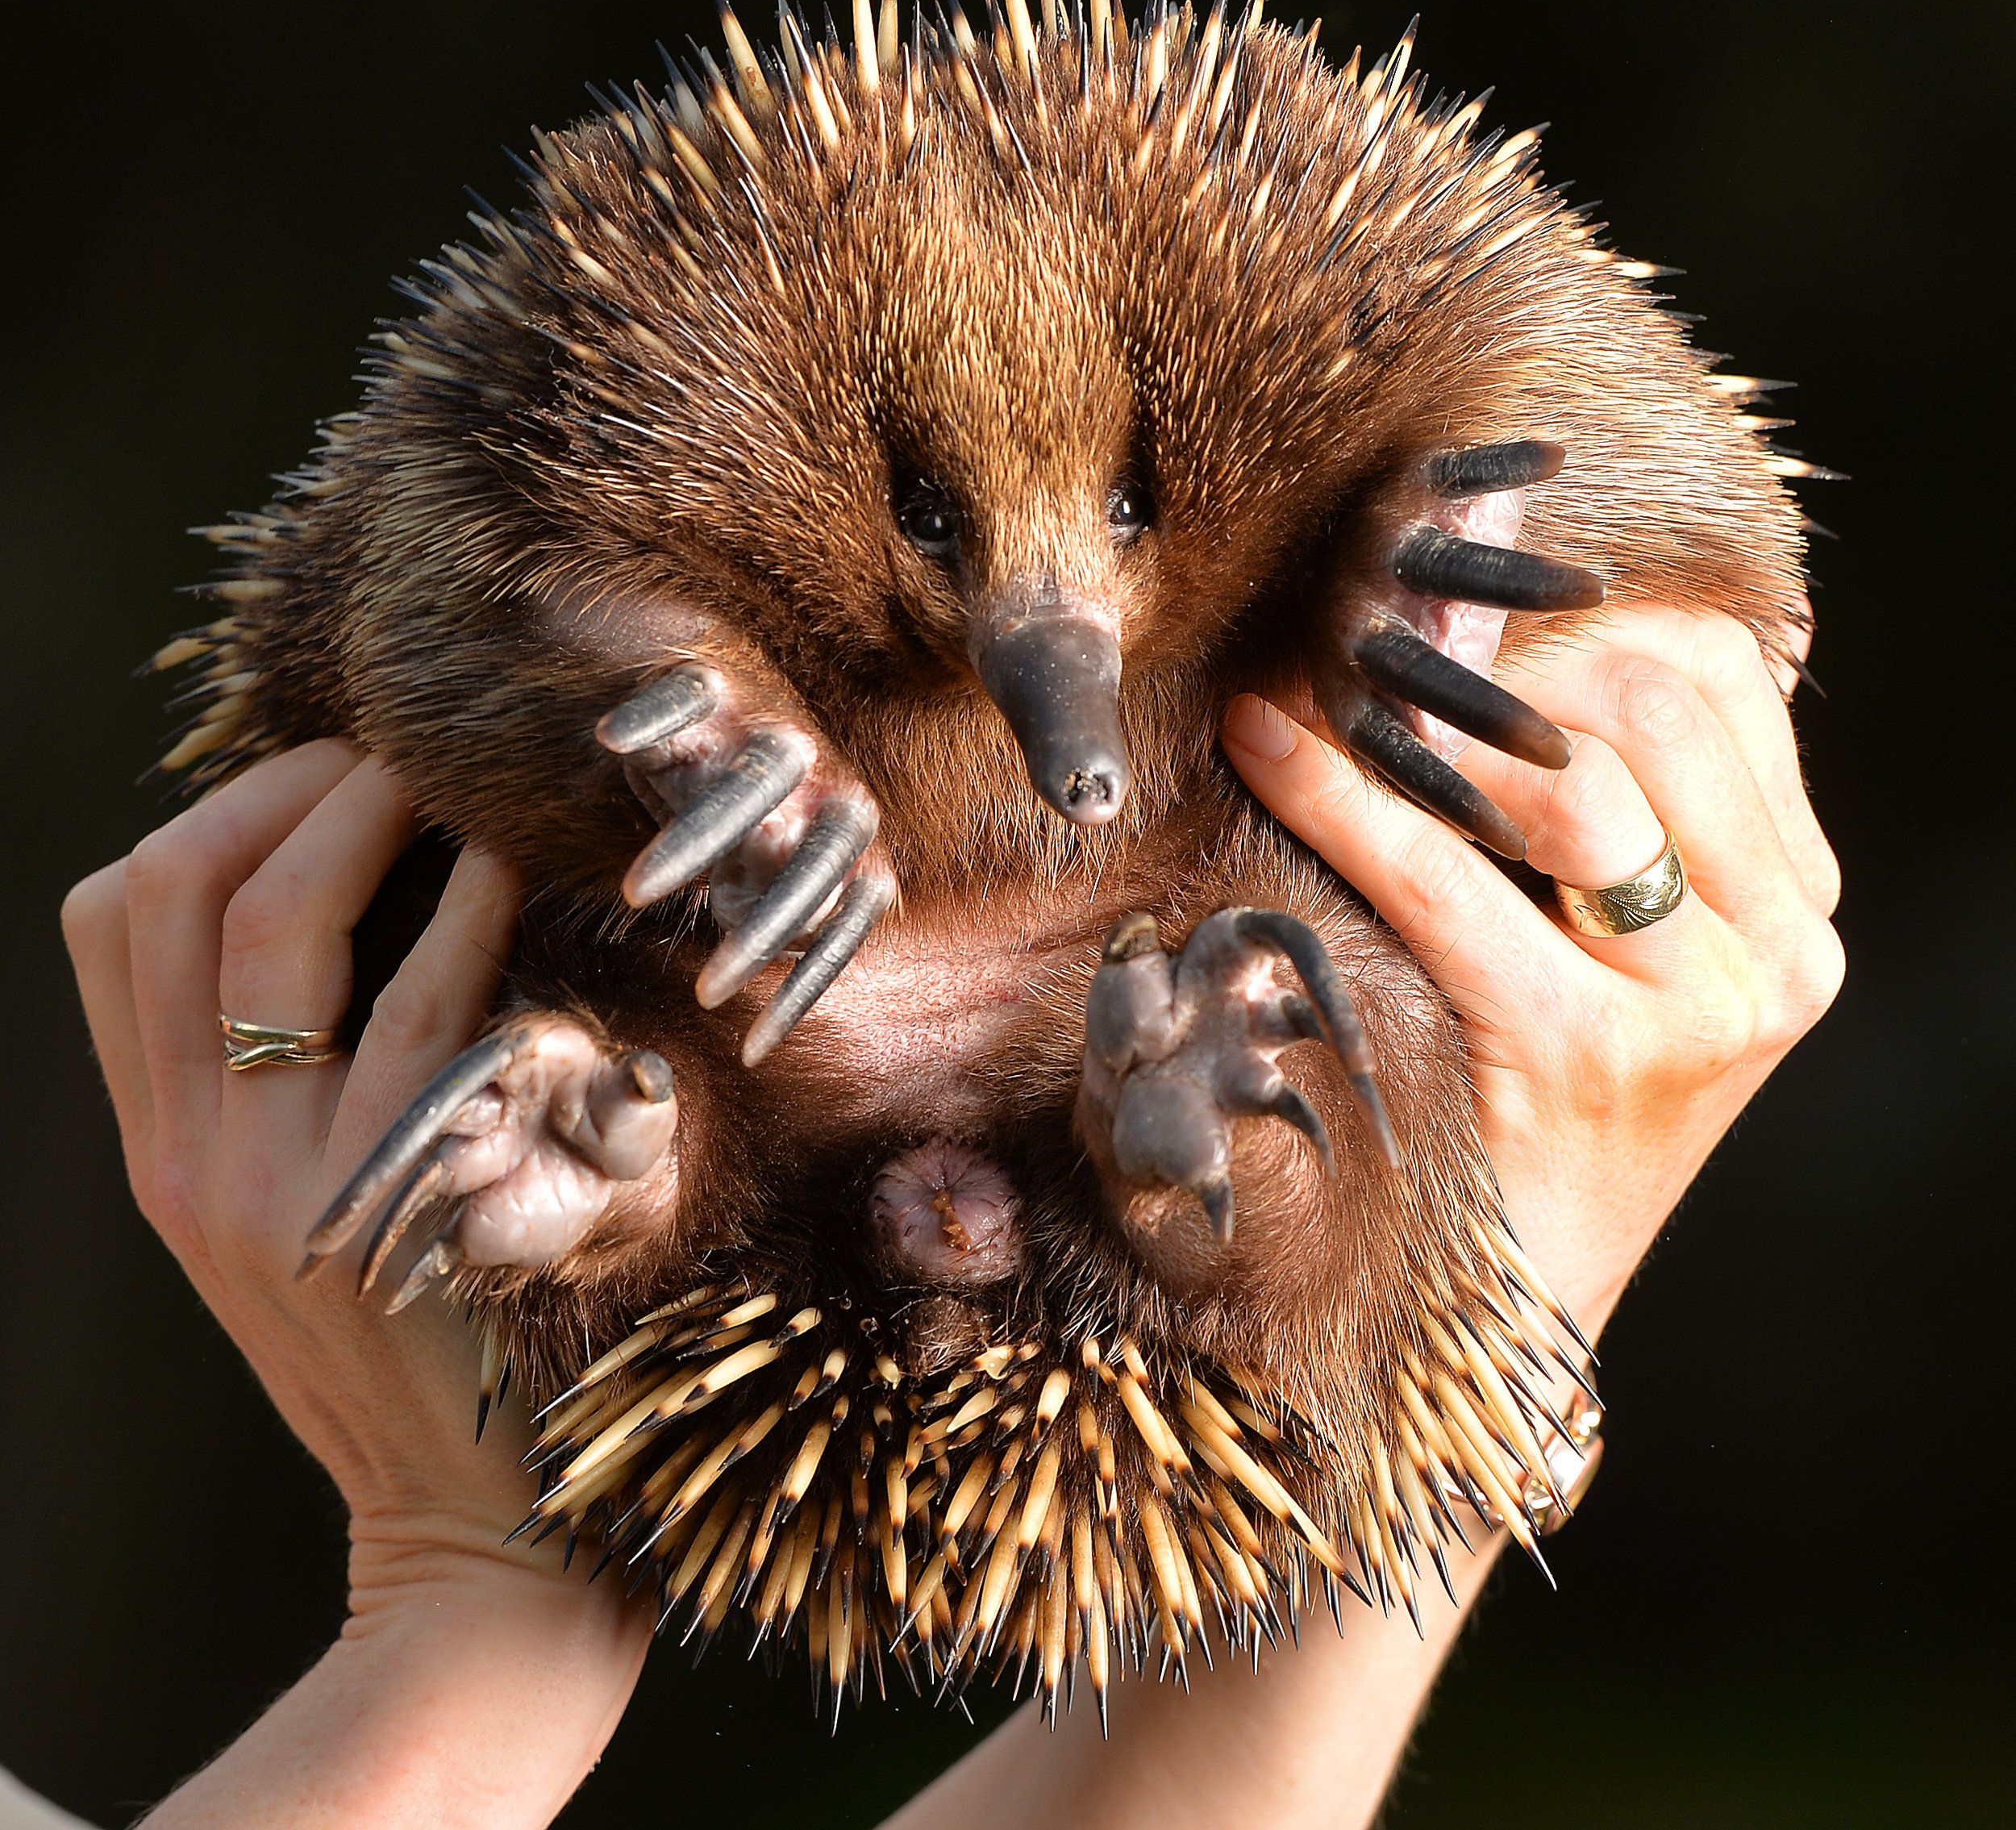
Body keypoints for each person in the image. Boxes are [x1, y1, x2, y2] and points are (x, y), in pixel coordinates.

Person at [60, 607, 1842, 1830]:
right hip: (741, 1074)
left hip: (806, 987)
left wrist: (1493, 1277)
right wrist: (455, 1630)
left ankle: (1230, 1186)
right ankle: (1222, 1172)